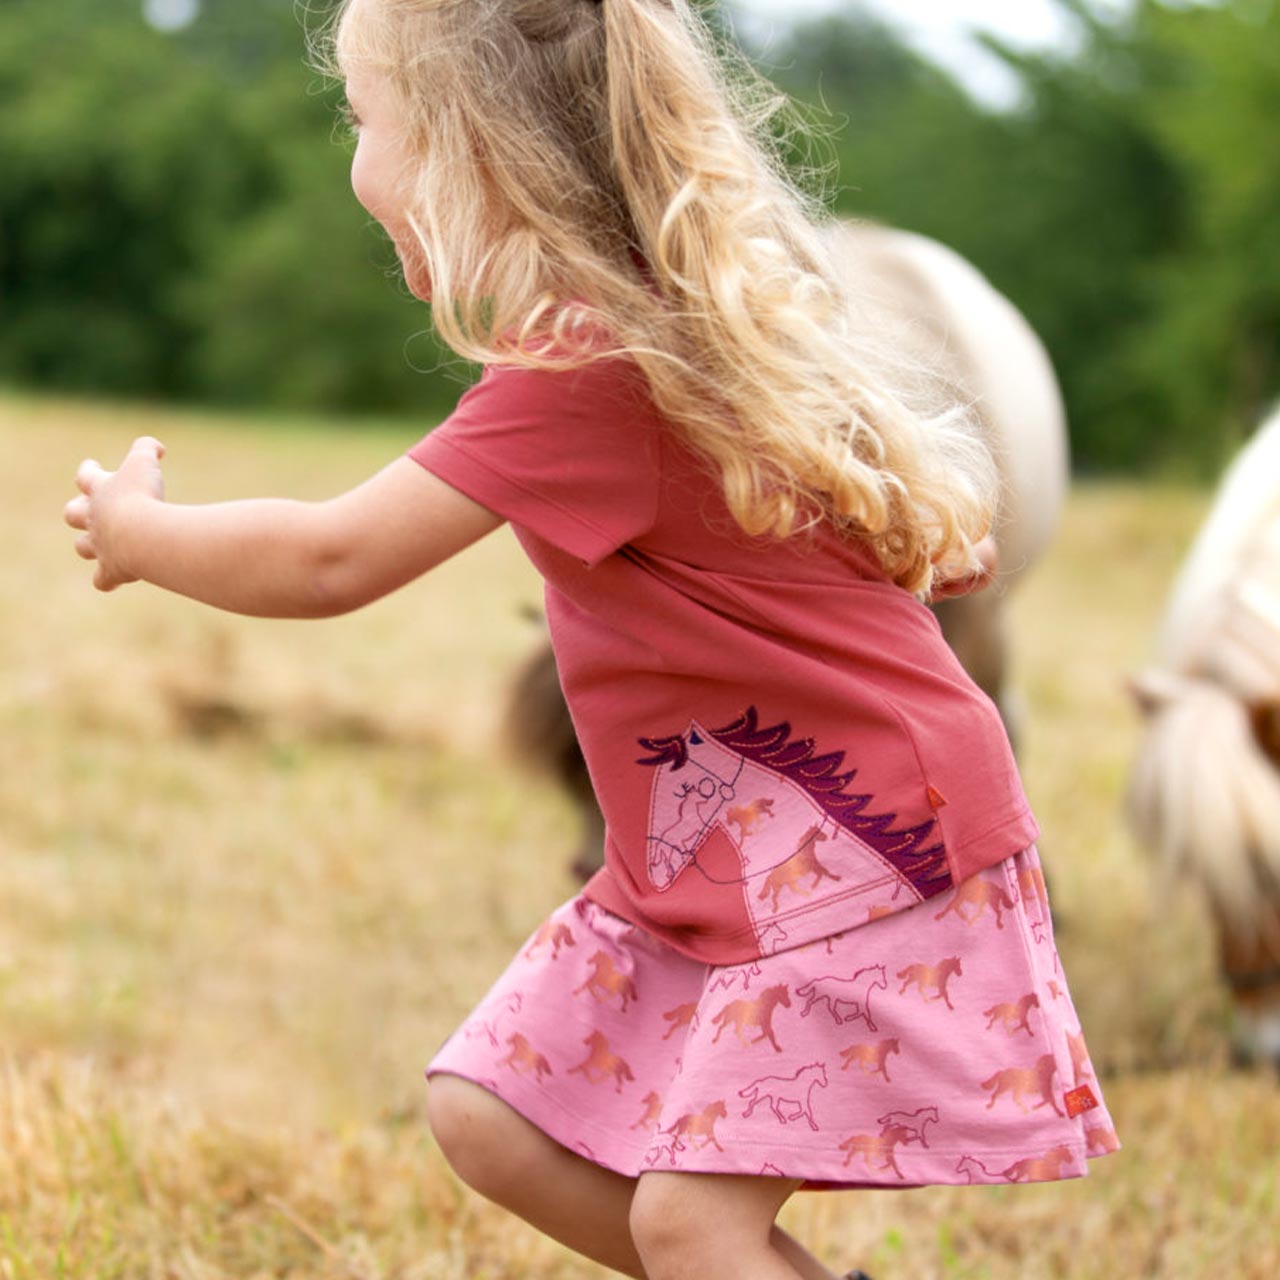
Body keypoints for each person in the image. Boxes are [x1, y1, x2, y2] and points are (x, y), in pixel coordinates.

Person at [63, 1, 1119, 1276]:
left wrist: (140, 534)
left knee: (687, 1217)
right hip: (724, 843)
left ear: (467, 156)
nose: (352, 157)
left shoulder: (585, 374)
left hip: (861, 844)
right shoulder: (663, 335)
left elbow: (331, 558)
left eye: (362, 118)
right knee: (493, 1115)